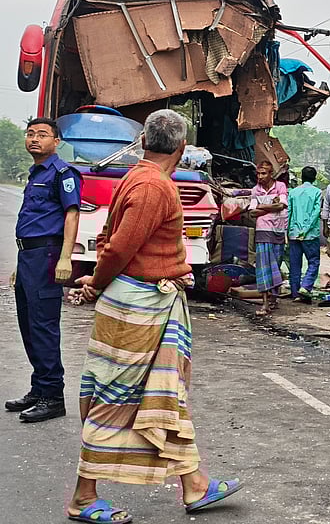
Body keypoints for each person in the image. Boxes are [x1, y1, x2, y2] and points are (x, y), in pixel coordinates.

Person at [70, 109, 242, 523]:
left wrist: (101, 279)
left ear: (143, 142)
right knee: (116, 400)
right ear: (182, 150)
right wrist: (95, 281)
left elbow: (113, 240)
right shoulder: (155, 187)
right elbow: (117, 249)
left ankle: (194, 484)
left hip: (149, 304)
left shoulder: (137, 177)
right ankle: (82, 496)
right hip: (138, 305)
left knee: (164, 397)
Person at [5, 117, 81, 424]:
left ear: (57, 142)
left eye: (42, 135)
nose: (34, 139)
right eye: (30, 134)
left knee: (43, 325)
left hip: (48, 256)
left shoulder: (63, 173)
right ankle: (39, 388)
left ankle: (53, 396)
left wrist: (65, 258)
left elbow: (72, 214)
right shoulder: (35, 172)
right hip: (29, 257)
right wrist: (18, 265)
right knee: (28, 324)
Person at [250, 163, 288, 316]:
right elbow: (252, 213)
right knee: (264, 267)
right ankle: (265, 303)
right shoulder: (255, 190)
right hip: (263, 230)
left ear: (271, 174)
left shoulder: (280, 186)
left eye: (263, 173)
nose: (260, 177)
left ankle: (273, 298)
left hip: (278, 231)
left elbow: (282, 205)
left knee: (276, 265)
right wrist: (272, 205)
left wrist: (262, 206)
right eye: (258, 174)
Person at [286, 166, 323, 299]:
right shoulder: (317, 192)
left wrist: (287, 230)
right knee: (314, 261)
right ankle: (306, 286)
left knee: (295, 264)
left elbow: (288, 213)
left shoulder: (293, 192)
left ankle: (295, 293)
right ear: (314, 177)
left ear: (302, 177)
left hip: (293, 233)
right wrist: (306, 229)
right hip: (310, 234)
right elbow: (315, 213)